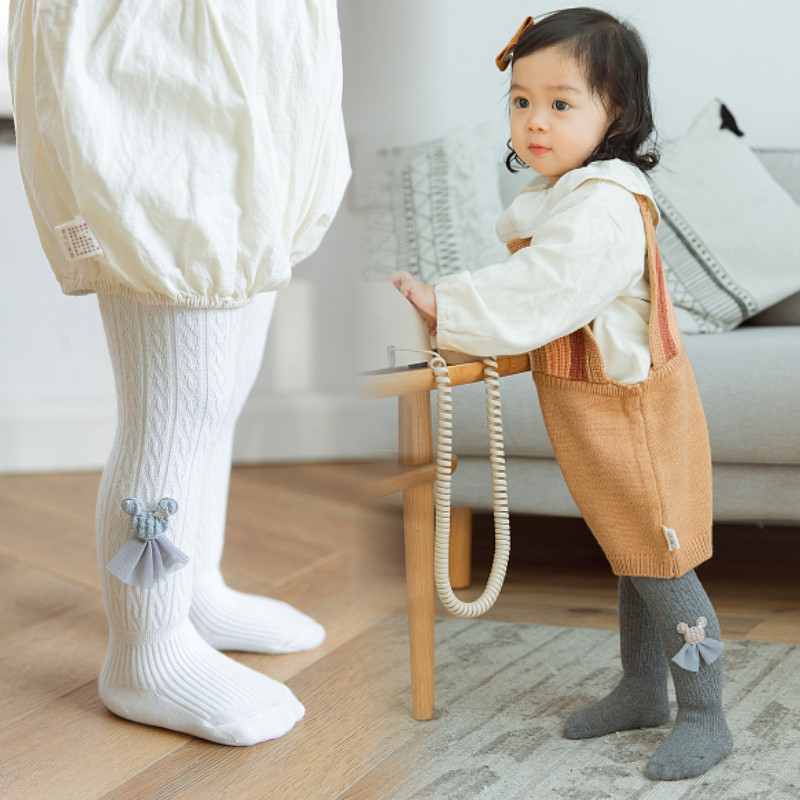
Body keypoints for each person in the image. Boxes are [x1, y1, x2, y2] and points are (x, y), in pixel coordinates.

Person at [390, 8, 732, 781]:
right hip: (596, 412)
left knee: (661, 562)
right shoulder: (568, 194)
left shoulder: (603, 203)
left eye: (561, 103)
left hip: (632, 416)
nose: (535, 120)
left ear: (618, 113)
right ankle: (642, 689)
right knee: (629, 553)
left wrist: (448, 302)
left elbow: (545, 289)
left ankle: (705, 712)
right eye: (521, 100)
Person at [8, 0, 350, 745]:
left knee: (225, 379)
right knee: (177, 402)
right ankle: (147, 648)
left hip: (256, 37)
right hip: (159, 41)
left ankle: (194, 590)